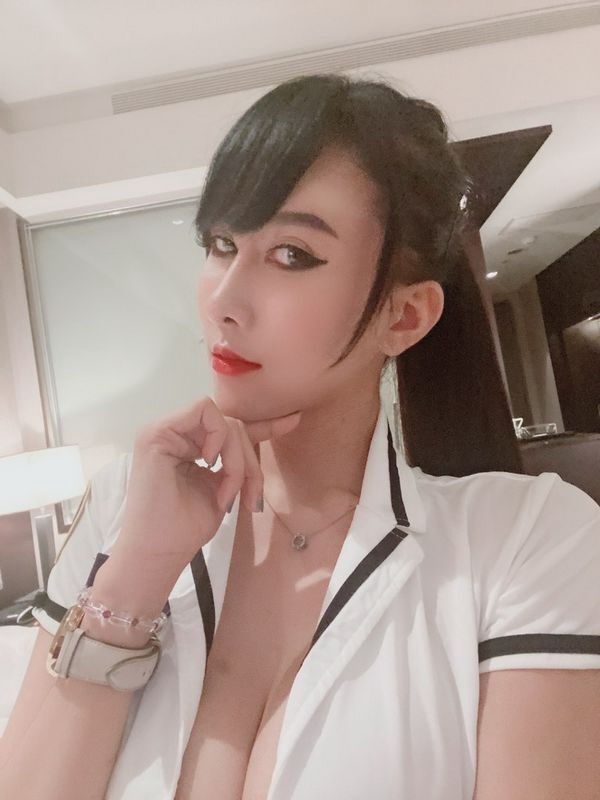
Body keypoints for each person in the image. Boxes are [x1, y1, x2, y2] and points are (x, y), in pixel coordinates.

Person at [1, 73, 599, 800]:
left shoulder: (527, 539)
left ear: (404, 316)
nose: (223, 300)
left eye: (292, 254)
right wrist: (133, 578)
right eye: (222, 244)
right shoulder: (126, 505)